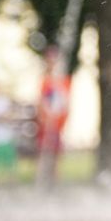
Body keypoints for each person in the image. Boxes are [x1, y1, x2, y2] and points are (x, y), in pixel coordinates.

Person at [36, 47, 71, 187]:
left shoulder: (63, 82)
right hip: (46, 124)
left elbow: (66, 103)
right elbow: (41, 101)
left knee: (56, 155)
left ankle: (54, 184)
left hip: (58, 124)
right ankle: (42, 183)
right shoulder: (45, 81)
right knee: (45, 154)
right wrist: (47, 114)